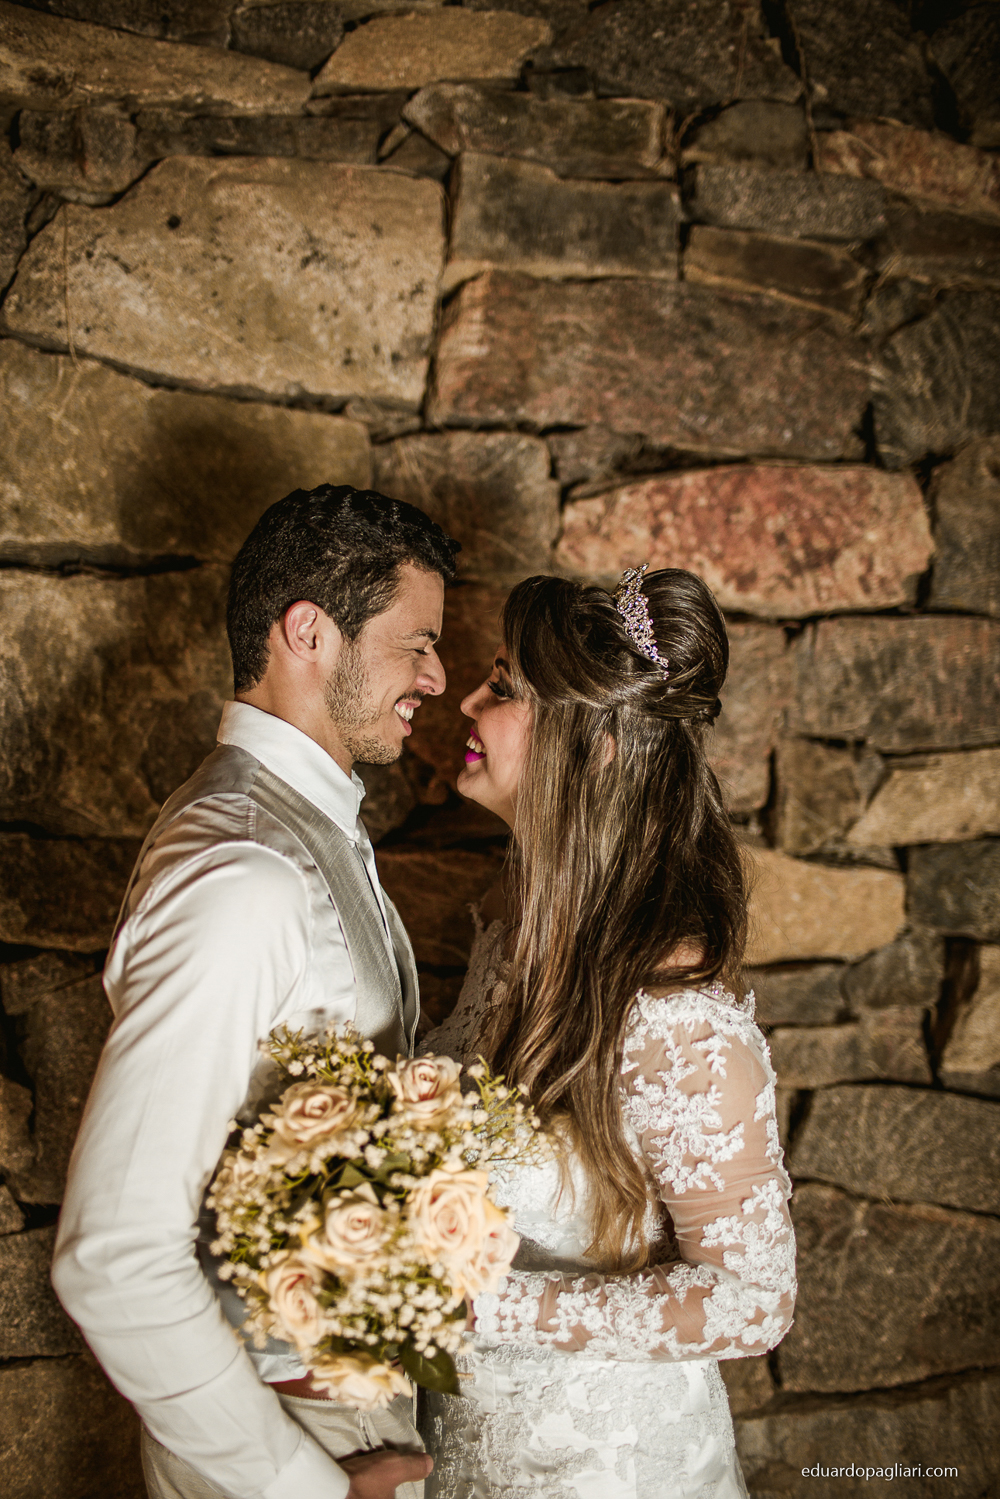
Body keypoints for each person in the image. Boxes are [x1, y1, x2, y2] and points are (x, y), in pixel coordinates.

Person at [52, 486, 459, 1499]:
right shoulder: (245, 873)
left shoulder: (301, 828)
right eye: (417, 643)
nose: (437, 675)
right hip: (283, 1435)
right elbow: (114, 1254)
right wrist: (300, 1484)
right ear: (309, 632)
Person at [420, 566, 796, 1499]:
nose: (467, 699)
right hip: (460, 1452)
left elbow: (752, 1300)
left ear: (594, 751)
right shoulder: (512, 932)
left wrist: (484, 1303)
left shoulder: (677, 1020)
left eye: (504, 688)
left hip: (605, 1468)